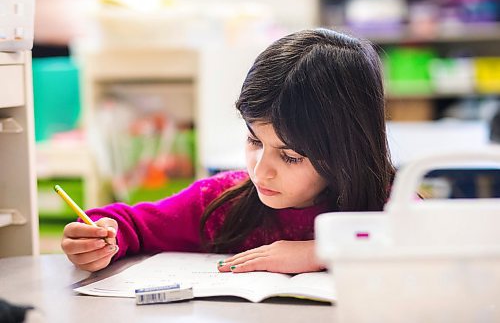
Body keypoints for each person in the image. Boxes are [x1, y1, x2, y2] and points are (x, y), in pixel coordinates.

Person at [61, 28, 395, 273]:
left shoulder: (390, 205)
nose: (261, 170)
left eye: (291, 156)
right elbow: (133, 223)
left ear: (347, 151)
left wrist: (320, 252)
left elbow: (434, 243)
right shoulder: (221, 202)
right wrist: (100, 237)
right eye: (254, 141)